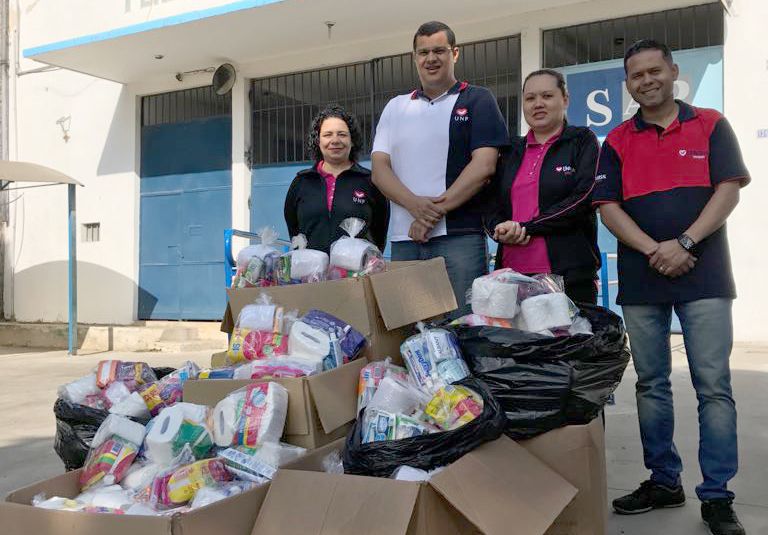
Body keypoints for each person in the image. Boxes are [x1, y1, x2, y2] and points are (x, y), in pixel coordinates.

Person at [593, 39, 750, 535]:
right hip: (643, 279)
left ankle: (717, 496)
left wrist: (684, 243)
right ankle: (664, 480)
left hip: (705, 275)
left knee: (713, 386)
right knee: (651, 384)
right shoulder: (616, 141)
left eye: (654, 70)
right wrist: (653, 251)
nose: (647, 80)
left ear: (673, 71)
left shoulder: (711, 124)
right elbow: (608, 207)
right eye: (636, 75)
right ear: (628, 83)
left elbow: (728, 190)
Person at [371, 21, 509, 316]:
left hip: (461, 238)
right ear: (414, 57)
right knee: (410, 329)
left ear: (454, 53)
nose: (431, 58)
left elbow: (484, 166)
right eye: (423, 52)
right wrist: (416, 207)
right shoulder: (395, 107)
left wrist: (429, 215)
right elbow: (379, 171)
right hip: (405, 241)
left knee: (464, 325)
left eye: (439, 51)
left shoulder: (478, 99)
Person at [485, 69, 600, 304]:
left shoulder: (582, 141)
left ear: (565, 99)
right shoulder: (510, 151)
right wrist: (497, 227)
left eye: (547, 96)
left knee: (572, 330)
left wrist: (527, 227)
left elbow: (584, 197)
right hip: (512, 279)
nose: (538, 104)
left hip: (569, 277)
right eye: (530, 98)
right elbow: (489, 202)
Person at [284, 104, 389, 253]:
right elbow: (294, 229)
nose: (335, 140)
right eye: (328, 135)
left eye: (342, 134)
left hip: (356, 267)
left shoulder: (370, 182)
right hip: (310, 267)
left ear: (352, 140)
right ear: (318, 141)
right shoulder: (301, 182)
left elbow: (379, 233)